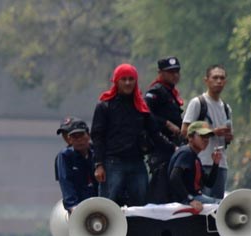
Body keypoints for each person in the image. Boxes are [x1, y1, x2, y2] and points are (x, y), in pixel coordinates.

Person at [91, 63, 169, 207]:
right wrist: (99, 165)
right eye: (124, 79)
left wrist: (173, 149)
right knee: (108, 206)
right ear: (116, 81)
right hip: (113, 163)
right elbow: (97, 137)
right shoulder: (104, 106)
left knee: (141, 205)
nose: (128, 83)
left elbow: (154, 134)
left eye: (131, 79)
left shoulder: (141, 106)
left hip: (137, 163)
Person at [181, 64, 233, 199]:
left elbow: (227, 138)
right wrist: (213, 132)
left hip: (220, 164)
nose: (219, 81)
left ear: (225, 82)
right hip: (201, 162)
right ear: (206, 80)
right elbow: (185, 131)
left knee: (217, 208)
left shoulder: (227, 108)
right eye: (215, 77)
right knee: (203, 208)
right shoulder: (198, 103)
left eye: (222, 78)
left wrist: (228, 137)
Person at [144, 56, 184, 203]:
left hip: (174, 146)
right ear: (160, 73)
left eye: (177, 71)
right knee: (160, 189)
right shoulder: (156, 92)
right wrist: (166, 123)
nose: (175, 75)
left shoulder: (171, 92)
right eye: (170, 72)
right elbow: (146, 115)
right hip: (160, 147)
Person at [166, 121, 222, 209]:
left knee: (222, 203)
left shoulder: (194, 157)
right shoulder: (186, 153)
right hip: (182, 200)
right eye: (202, 136)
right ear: (190, 137)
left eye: (207, 136)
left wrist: (215, 163)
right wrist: (190, 200)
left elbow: (209, 183)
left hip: (194, 197)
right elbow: (174, 177)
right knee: (221, 205)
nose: (206, 139)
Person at [56, 119, 98, 211]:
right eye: (74, 137)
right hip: (79, 204)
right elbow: (66, 182)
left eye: (81, 136)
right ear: (70, 139)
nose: (79, 140)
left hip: (100, 202)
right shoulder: (65, 156)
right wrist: (72, 206)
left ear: (88, 135)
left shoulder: (97, 151)